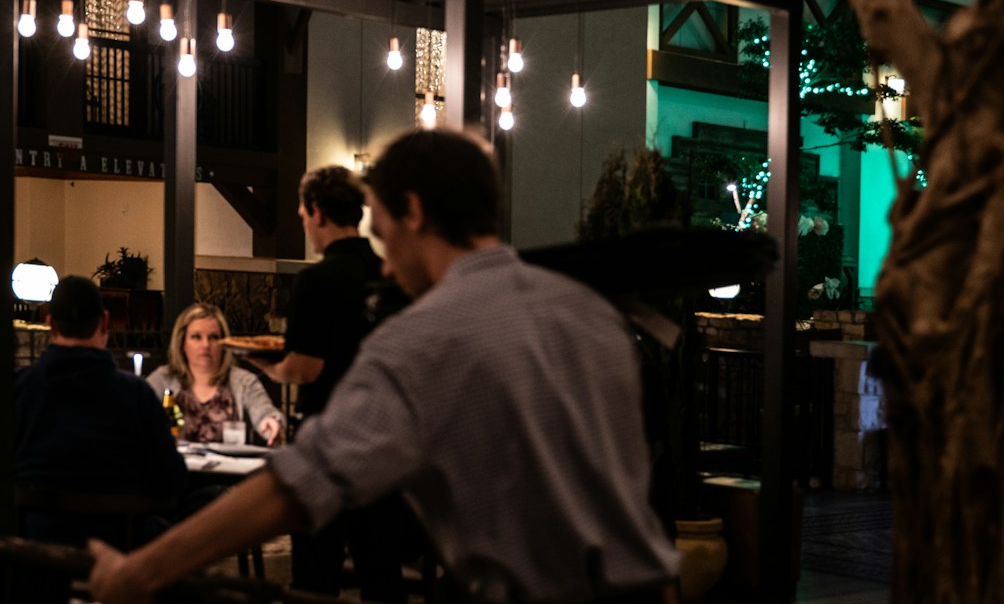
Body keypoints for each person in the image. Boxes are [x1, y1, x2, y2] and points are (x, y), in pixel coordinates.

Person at [90, 128, 680, 604]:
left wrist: (141, 572)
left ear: (415, 211)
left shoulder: (423, 339)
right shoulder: (587, 312)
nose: (387, 264)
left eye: (382, 224)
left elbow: (299, 486)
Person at [246, 165, 405, 601]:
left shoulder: (316, 280)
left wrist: (261, 361)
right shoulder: (389, 275)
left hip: (328, 442)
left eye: (302, 214)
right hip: (384, 440)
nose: (304, 223)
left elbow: (305, 368)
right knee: (382, 574)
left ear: (317, 213)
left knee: (316, 576)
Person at [14, 275, 186, 602]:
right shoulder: (135, 394)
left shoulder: (20, 388)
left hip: (36, 544)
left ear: (50, 324)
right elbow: (172, 480)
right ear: (105, 321)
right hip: (123, 543)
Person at [145, 303, 283, 447]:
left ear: (224, 343)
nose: (206, 345)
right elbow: (135, 410)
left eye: (213, 337)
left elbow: (265, 412)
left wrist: (271, 422)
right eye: (197, 337)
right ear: (182, 343)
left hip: (229, 468)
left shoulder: (243, 381)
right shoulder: (164, 378)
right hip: (175, 468)